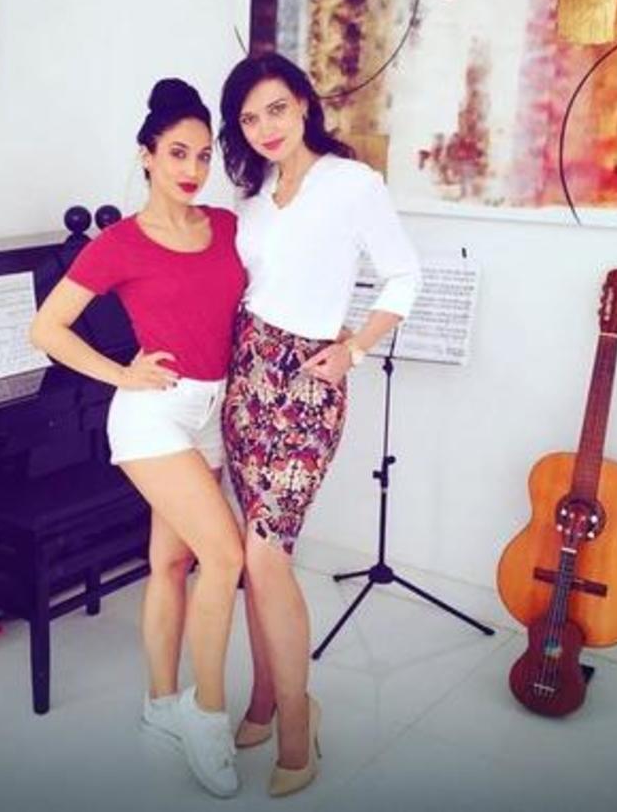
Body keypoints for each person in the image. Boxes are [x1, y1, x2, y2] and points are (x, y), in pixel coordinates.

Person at [30, 79, 247, 799]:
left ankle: (159, 704)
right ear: (147, 155)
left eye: (204, 155)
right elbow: (46, 329)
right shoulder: (119, 242)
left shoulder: (226, 226)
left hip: (211, 411)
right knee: (225, 556)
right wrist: (122, 373)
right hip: (153, 415)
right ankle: (206, 715)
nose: (193, 168)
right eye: (178, 153)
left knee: (172, 561)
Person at [218, 52, 421, 798]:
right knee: (257, 557)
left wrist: (355, 348)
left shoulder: (352, 184)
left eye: (276, 108)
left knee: (265, 554)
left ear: (303, 102)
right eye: (249, 118)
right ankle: (263, 698)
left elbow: (405, 274)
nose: (265, 127)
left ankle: (299, 719)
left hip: (308, 383)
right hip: (247, 378)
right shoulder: (254, 198)